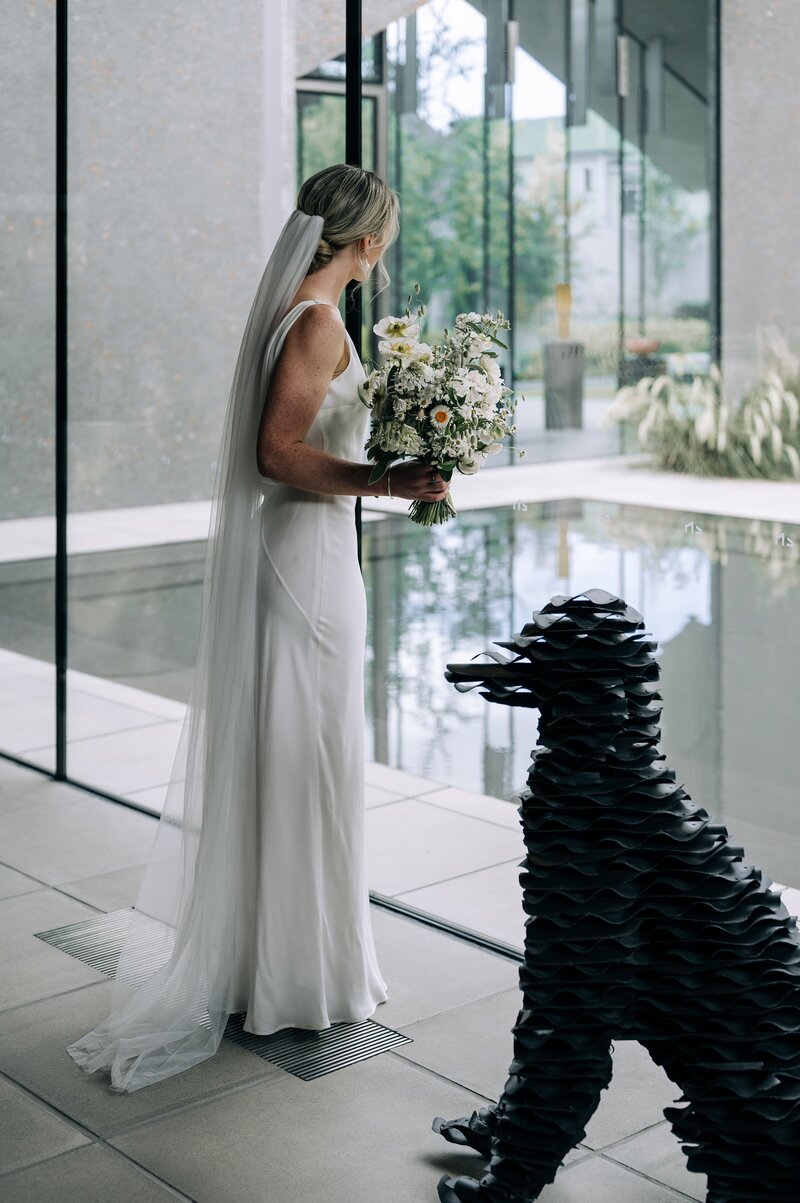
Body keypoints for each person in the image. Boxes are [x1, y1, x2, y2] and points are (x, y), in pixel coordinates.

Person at [64, 163, 449, 1093]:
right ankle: (294, 973)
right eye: (383, 235)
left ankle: (276, 959)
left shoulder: (300, 314)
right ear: (366, 239)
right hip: (305, 563)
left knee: (297, 752)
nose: (383, 250)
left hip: (306, 554)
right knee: (306, 753)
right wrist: (386, 484)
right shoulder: (316, 323)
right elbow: (275, 453)